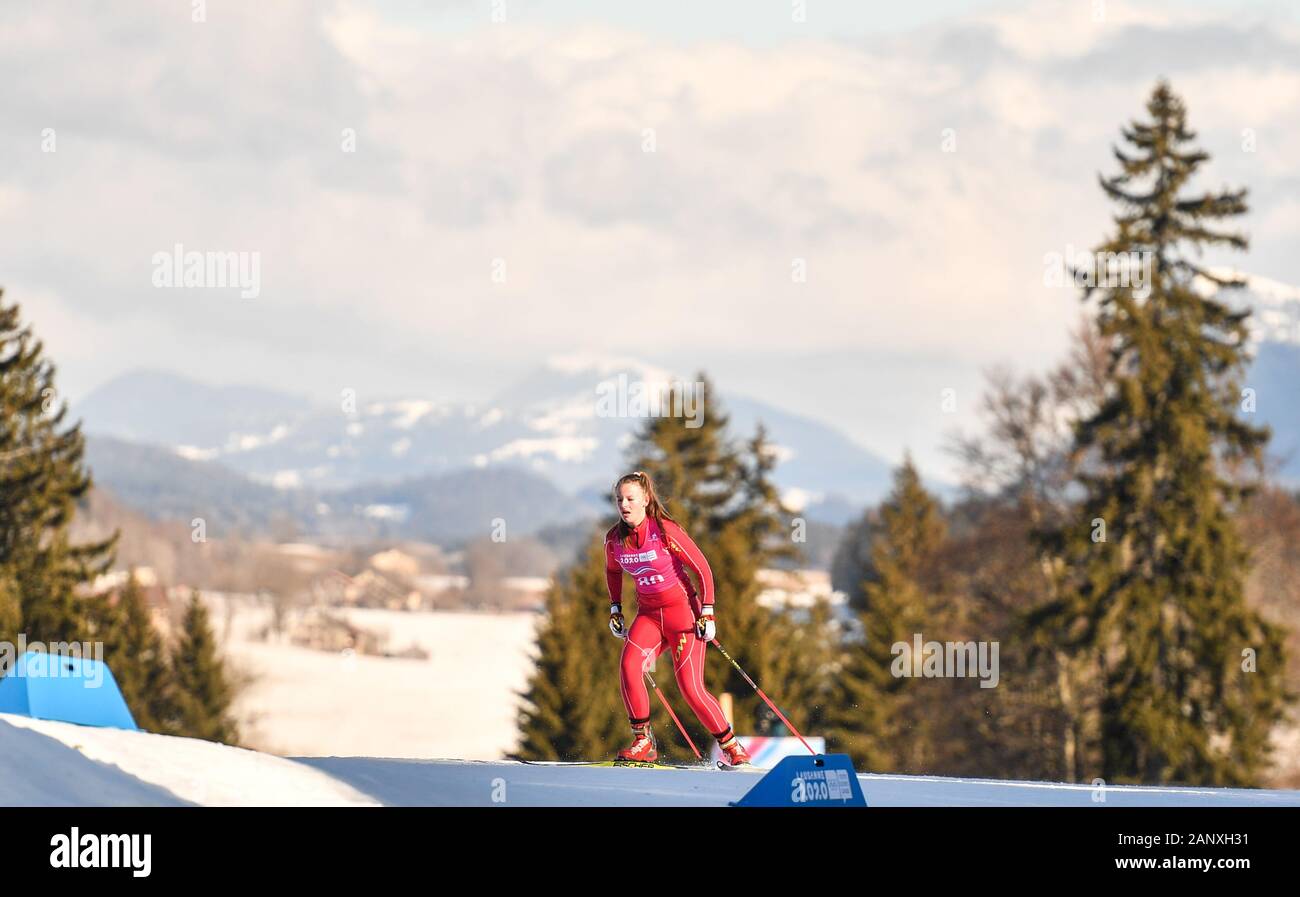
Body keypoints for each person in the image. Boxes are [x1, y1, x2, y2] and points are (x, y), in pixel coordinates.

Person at [604, 470, 751, 766]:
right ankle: (643, 741)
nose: (624, 505)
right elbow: (613, 571)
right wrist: (615, 608)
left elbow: (703, 569)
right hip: (648, 616)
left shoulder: (664, 531)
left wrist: (707, 611)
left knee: (690, 688)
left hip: (683, 615)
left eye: (631, 498)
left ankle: (733, 748)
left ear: (645, 500)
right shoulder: (614, 540)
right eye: (619, 499)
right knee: (630, 665)